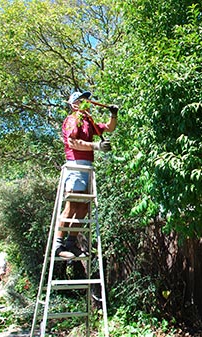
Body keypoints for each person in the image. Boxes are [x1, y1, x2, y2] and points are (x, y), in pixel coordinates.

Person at [55, 91, 118, 259]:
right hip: (75, 167)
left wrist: (113, 114)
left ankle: (71, 243)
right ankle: (58, 246)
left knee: (84, 207)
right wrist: (96, 146)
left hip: (87, 168)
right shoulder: (72, 119)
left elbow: (109, 128)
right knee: (72, 205)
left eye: (87, 99)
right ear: (74, 104)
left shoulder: (88, 121)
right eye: (83, 100)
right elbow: (73, 143)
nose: (87, 102)